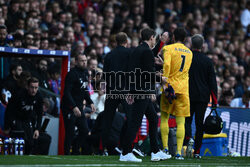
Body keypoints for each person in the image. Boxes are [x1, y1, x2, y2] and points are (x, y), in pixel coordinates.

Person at [120, 28, 171, 162]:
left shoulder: (137, 50)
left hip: (138, 89)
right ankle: (125, 152)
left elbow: (132, 71)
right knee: (135, 122)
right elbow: (148, 74)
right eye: (155, 38)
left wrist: (130, 90)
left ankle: (155, 151)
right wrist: (161, 78)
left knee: (154, 119)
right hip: (143, 91)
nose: (155, 40)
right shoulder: (145, 52)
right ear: (151, 37)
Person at [160, 27, 193, 160]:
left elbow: (167, 66)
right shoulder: (190, 52)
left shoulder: (168, 49)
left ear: (173, 37)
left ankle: (166, 149)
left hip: (170, 87)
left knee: (164, 118)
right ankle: (179, 152)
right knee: (181, 122)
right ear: (185, 39)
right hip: (183, 89)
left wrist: (165, 82)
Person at [184, 34, 218, 159]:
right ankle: (197, 151)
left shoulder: (187, 58)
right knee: (199, 125)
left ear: (191, 45)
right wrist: (214, 101)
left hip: (187, 95)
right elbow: (212, 83)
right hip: (203, 98)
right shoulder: (208, 61)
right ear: (202, 46)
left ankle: (187, 139)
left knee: (186, 120)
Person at [4, 77, 51, 155]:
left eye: (36, 88)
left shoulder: (38, 96)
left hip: (26, 120)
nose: (34, 90)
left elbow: (39, 114)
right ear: (27, 87)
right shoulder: (19, 94)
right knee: (23, 139)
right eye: (32, 87)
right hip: (16, 119)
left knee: (31, 143)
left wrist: (37, 129)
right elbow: (9, 110)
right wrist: (7, 126)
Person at [61, 53, 96, 155]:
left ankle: (75, 149)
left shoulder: (85, 73)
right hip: (69, 107)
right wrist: (73, 107)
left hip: (79, 106)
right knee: (70, 132)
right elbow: (66, 92)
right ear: (76, 62)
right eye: (82, 60)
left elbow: (84, 89)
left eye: (85, 60)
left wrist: (90, 102)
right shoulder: (71, 74)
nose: (84, 62)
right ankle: (66, 154)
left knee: (84, 131)